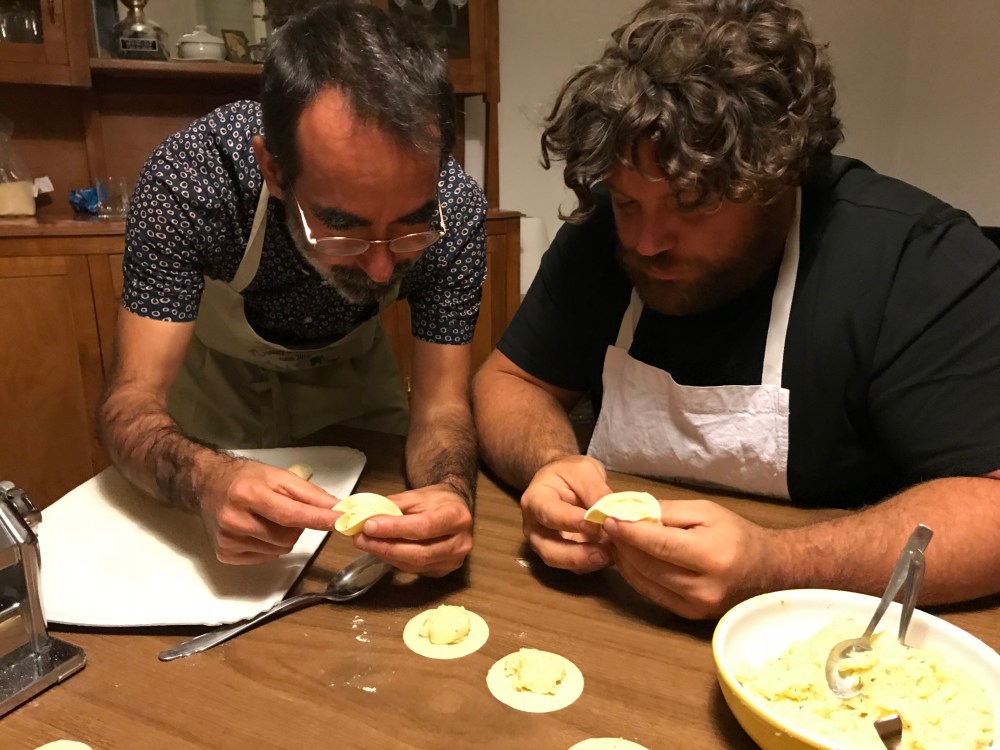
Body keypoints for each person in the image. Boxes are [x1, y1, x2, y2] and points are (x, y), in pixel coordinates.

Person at [473, 0, 1000, 618]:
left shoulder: (914, 258)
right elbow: (508, 382)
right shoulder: (603, 238)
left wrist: (780, 565)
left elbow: (990, 505)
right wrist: (551, 464)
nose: (646, 242)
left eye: (692, 203)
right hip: (614, 614)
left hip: (825, 627)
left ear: (779, 176)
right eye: (627, 203)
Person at [98, 1, 484, 577]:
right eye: (344, 228)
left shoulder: (456, 210)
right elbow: (130, 404)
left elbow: (442, 406)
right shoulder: (193, 179)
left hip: (355, 381)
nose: (382, 270)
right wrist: (205, 479)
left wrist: (450, 493)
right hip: (216, 390)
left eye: (409, 227)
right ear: (274, 171)